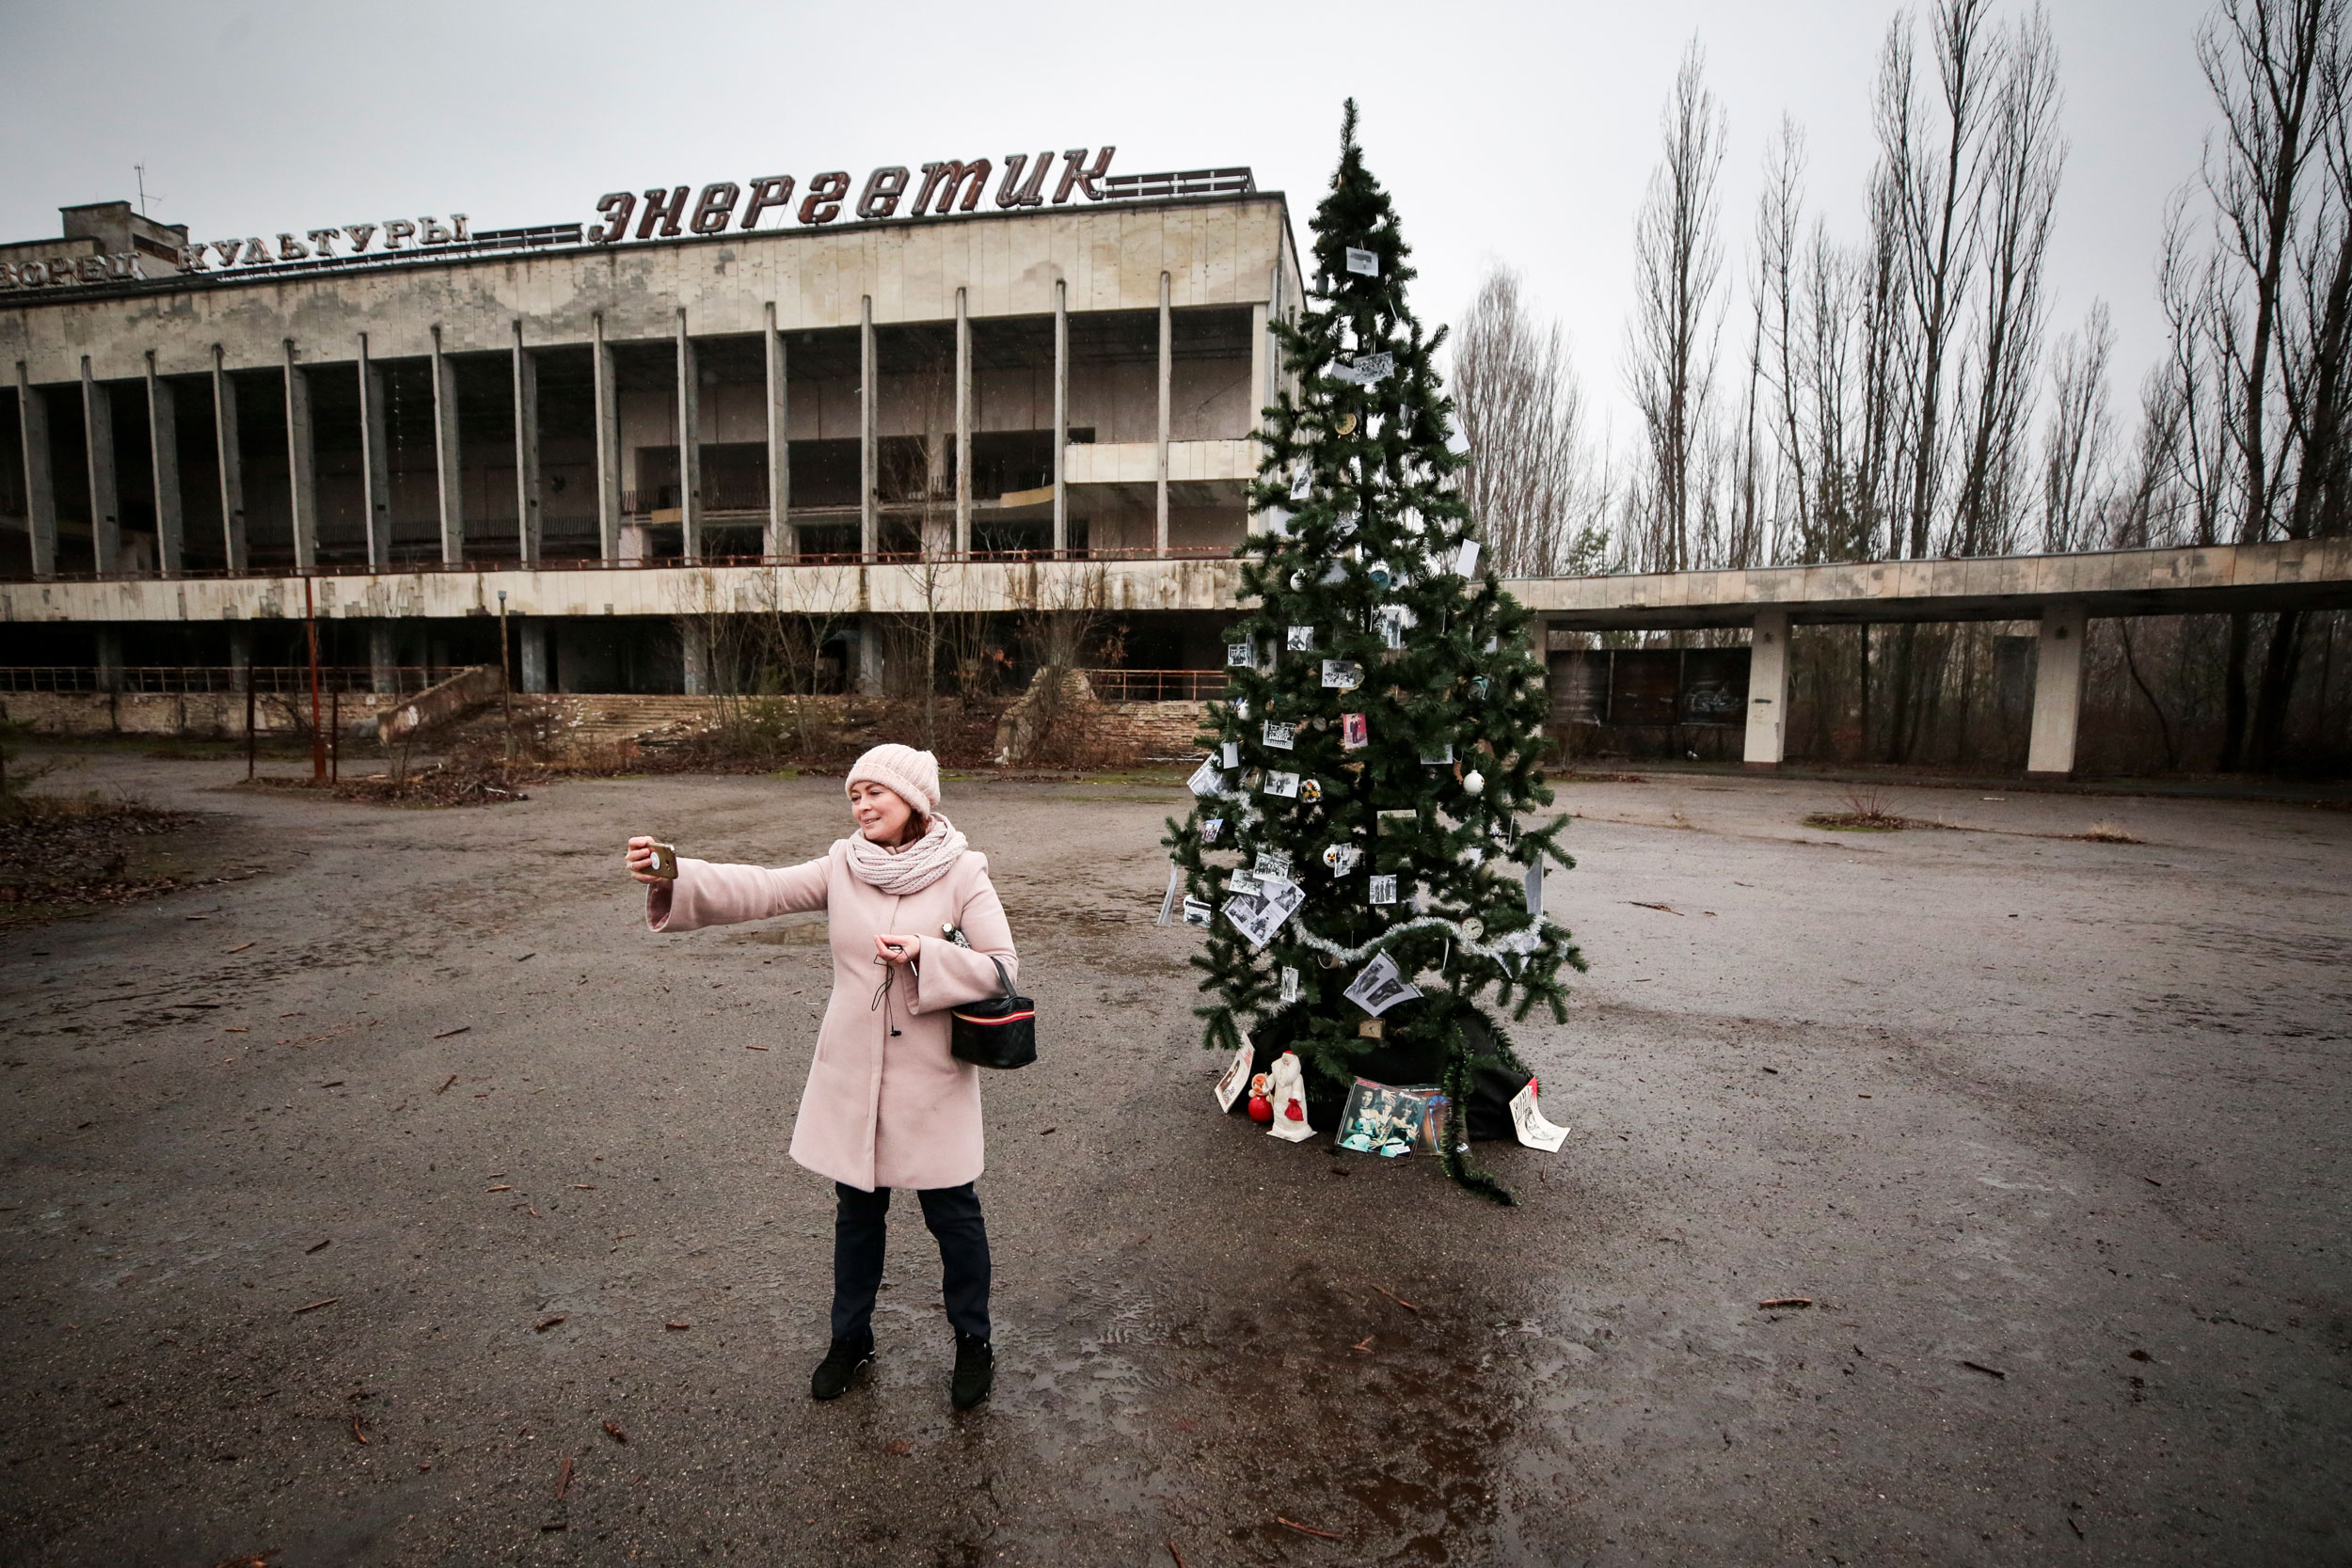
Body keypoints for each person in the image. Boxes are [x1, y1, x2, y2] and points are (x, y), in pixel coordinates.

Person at [623, 743, 1016, 1411]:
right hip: (852, 1076)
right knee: (857, 1215)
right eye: (854, 795)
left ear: (914, 801)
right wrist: (674, 869)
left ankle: (973, 1341)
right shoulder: (842, 864)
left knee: (954, 1217)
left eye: (875, 793)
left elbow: (1004, 967)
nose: (861, 805)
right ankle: (850, 1339)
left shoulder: (963, 872)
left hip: (932, 1081)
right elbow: (763, 888)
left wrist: (928, 952)